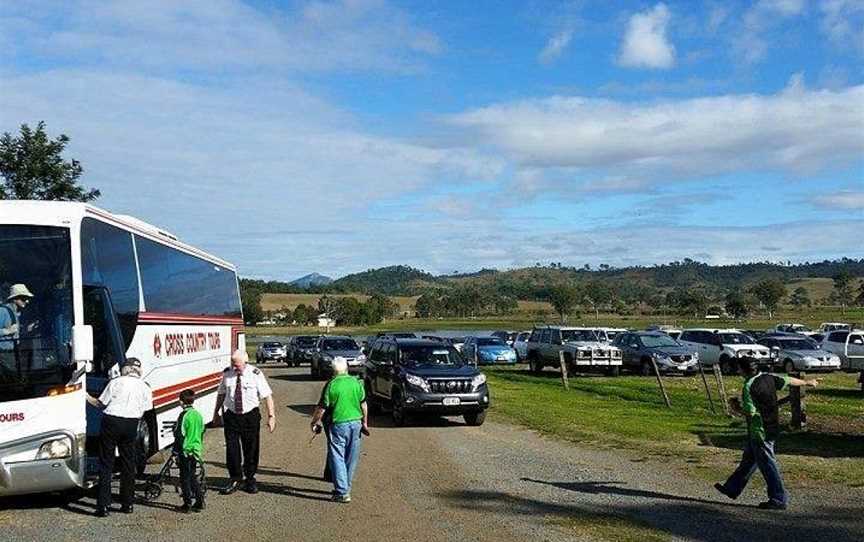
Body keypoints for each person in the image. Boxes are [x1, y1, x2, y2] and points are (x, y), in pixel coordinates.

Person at [714, 358, 819, 510]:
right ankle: (732, 488)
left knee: (768, 465)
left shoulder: (748, 386)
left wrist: (735, 407)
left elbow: (750, 412)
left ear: (743, 370)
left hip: (760, 431)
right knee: (749, 460)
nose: (737, 371)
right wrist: (808, 382)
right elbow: (788, 380)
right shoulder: (768, 377)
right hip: (772, 426)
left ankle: (778, 498)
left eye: (739, 369)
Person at [86, 358, 153, 517]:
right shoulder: (145, 386)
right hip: (131, 423)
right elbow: (146, 408)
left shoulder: (116, 382)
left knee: (106, 463)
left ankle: (103, 506)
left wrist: (87, 396)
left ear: (126, 369)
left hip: (111, 421)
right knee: (128, 463)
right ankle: (127, 504)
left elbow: (101, 403)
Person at [213, 350, 276, 495]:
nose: (235, 368)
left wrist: (271, 416)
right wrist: (215, 412)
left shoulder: (255, 374)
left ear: (245, 362)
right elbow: (221, 393)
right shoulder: (227, 374)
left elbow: (267, 396)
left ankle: (250, 479)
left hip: (250, 416)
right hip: (232, 416)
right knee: (232, 449)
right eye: (233, 364)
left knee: (251, 449)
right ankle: (235, 478)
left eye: (238, 365)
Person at [310, 358, 369, 503]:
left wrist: (314, 422)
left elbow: (322, 408)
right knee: (351, 457)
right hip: (356, 423)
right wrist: (365, 423)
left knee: (337, 456)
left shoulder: (331, 385)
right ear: (346, 368)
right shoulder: (356, 382)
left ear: (333, 370)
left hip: (338, 423)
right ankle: (345, 487)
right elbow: (364, 405)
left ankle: (342, 491)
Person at [175, 389, 206, 513]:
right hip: (195, 451)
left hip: (185, 451)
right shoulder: (198, 414)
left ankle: (187, 503)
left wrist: (176, 452)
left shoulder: (183, 415)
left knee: (184, 478)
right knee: (193, 477)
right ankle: (199, 501)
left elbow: (179, 434)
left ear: (181, 402)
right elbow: (202, 430)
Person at [0, 284, 33, 372]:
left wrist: (25, 330)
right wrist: (7, 331)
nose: (27, 301)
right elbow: (10, 330)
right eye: (23, 298)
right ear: (14, 299)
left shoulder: (16, 313)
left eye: (27, 298)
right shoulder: (2, 311)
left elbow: (15, 332)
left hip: (13, 352)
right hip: (4, 354)